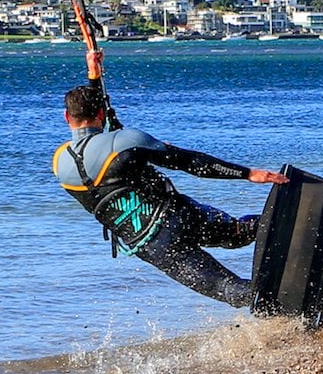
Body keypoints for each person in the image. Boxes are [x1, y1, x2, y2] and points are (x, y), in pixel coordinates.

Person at [53, 49, 288, 307]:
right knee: (239, 233)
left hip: (150, 245)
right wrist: (247, 173)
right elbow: (189, 162)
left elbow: (98, 145)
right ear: (100, 114)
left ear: (67, 117)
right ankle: (291, 224)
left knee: (228, 289)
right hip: (177, 215)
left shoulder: (59, 163)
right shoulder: (127, 141)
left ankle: (285, 309)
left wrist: (94, 77)